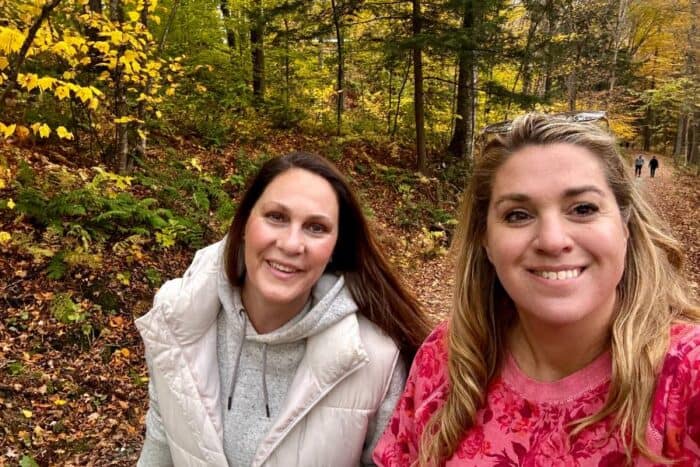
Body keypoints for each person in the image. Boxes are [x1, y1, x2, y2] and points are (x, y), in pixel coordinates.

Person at [373, 113, 700, 466]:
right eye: (518, 215)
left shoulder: (686, 377)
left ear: (626, 224)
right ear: (485, 240)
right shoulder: (447, 359)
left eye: (583, 209)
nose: (552, 240)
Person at [136, 151, 431, 466]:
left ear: (334, 249)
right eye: (276, 217)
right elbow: (161, 440)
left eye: (316, 227)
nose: (292, 244)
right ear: (245, 222)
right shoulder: (179, 318)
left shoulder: (374, 359)